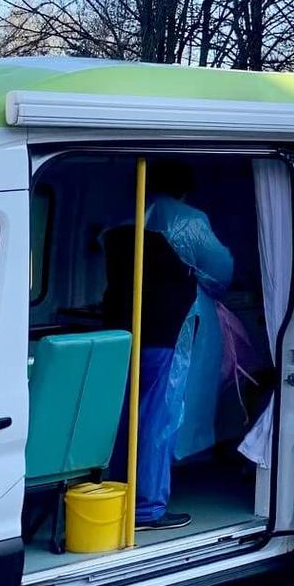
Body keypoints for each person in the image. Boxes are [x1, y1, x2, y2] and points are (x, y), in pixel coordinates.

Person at [105, 159, 234, 531]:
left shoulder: (121, 218)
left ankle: (115, 495)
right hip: (168, 329)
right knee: (158, 417)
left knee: (123, 414)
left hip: (121, 328)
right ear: (183, 187)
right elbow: (220, 270)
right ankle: (147, 508)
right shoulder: (188, 219)